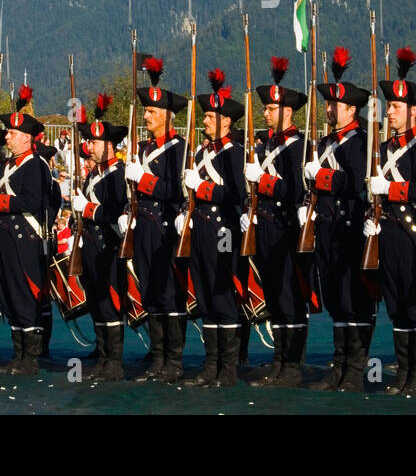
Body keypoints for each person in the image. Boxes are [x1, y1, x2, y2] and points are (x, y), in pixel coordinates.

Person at [366, 47, 416, 399]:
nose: (389, 111)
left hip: (414, 234)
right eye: (389, 106)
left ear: (413, 111)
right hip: (388, 233)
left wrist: (391, 189)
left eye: (395, 106)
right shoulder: (381, 146)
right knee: (396, 305)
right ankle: (404, 375)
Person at [306, 46, 374, 392]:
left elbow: (356, 182)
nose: (329, 109)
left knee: (353, 300)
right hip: (328, 230)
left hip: (350, 231)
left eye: (335, 105)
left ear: (353, 109)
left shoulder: (360, 142)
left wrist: (320, 178)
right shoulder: (324, 142)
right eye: (328, 104)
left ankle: (356, 371)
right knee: (335, 300)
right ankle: (339, 367)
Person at [246, 56, 311, 387]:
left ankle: (292, 365)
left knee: (289, 296)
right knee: (273, 296)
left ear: (287, 111)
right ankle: (279, 361)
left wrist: (264, 181)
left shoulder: (298, 146)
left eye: (271, 109)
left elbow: (294, 189)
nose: (265, 113)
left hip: (287, 229)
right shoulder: (267, 144)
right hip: (267, 229)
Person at [124, 56, 188, 383]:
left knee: (169, 294)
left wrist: (144, 179)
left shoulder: (179, 148)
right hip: (145, 229)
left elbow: (176, 190)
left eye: (151, 112)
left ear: (166, 116)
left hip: (166, 229)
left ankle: (173, 362)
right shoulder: (145, 148)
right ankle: (159, 359)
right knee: (150, 292)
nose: (146, 116)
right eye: (145, 111)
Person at [182, 69, 246, 386]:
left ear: (226, 122)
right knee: (206, 297)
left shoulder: (233, 153)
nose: (205, 121)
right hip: (202, 231)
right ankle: (211, 366)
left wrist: (203, 188)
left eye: (210, 116)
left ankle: (229, 369)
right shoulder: (200, 152)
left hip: (224, 231)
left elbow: (236, 194)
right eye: (205, 115)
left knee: (222, 295)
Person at [0, 86, 52, 374]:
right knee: (9, 296)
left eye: (11, 133)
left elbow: (32, 202)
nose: (6, 136)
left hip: (24, 241)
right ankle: (18, 355)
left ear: (26, 137)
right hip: (4, 241)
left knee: (24, 297)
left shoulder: (35, 165)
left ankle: (29, 359)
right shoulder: (6, 165)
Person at [71, 93, 129, 381]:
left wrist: (89, 209)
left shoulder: (118, 173)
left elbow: (116, 211)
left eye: (93, 142)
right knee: (95, 300)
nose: (88, 146)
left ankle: (114, 362)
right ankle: (103, 355)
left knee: (109, 301)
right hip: (91, 246)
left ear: (109, 145)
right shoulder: (94, 173)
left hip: (109, 245)